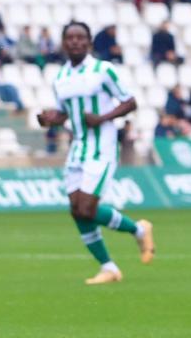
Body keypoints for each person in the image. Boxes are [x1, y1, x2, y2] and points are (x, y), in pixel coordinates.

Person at [37, 22, 155, 285]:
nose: (75, 42)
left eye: (80, 37)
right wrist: (49, 119)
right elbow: (64, 113)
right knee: (76, 210)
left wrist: (103, 118)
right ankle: (109, 267)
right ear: (64, 43)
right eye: (70, 38)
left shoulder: (103, 70)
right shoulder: (61, 78)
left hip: (102, 146)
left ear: (89, 42)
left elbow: (130, 102)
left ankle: (138, 230)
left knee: (87, 207)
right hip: (78, 146)